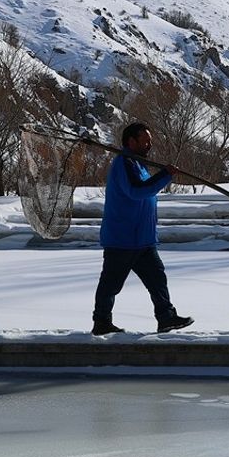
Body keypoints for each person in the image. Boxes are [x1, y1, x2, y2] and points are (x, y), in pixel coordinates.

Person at [91, 122, 193, 336]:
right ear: (131, 141)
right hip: (122, 239)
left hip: (143, 240)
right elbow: (138, 191)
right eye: (145, 141)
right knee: (111, 284)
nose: (149, 145)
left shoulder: (138, 164)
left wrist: (163, 175)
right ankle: (101, 321)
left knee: (157, 279)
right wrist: (165, 175)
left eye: (150, 141)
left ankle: (166, 318)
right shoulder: (124, 163)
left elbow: (144, 190)